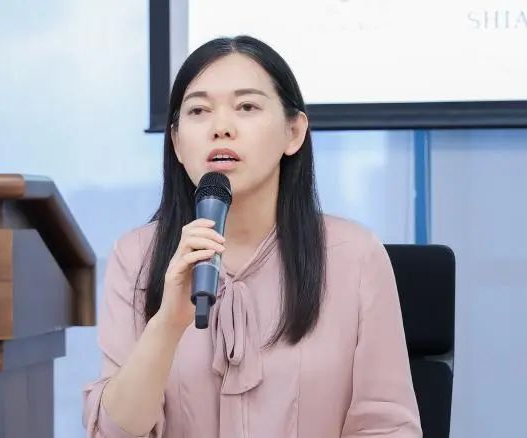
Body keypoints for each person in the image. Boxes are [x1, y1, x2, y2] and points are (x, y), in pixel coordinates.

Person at [83, 35, 421, 438]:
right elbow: (114, 432)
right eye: (198, 110)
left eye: (246, 107)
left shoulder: (355, 256)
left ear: (293, 132)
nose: (221, 128)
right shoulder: (136, 256)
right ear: (176, 142)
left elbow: (387, 427)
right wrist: (167, 324)